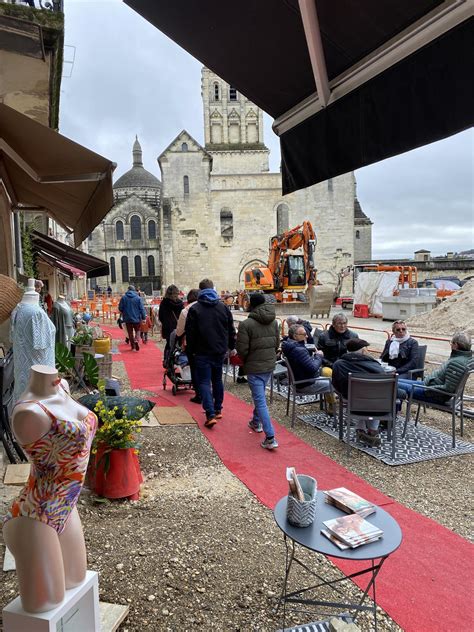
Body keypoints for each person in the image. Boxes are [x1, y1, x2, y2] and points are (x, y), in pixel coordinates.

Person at [3, 365, 97, 613]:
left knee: (76, 581)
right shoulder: (28, 413)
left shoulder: (63, 388)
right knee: (46, 605)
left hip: (66, 506)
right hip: (35, 517)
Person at [185, 279, 235, 427]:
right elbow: (231, 329)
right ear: (213, 289)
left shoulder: (195, 309)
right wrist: (231, 346)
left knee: (204, 382)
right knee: (217, 380)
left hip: (201, 351)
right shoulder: (223, 307)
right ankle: (218, 408)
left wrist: (191, 351)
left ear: (200, 291)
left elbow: (190, 333)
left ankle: (210, 413)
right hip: (219, 349)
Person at [236, 293, 280, 449]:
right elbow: (276, 344)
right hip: (268, 364)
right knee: (260, 395)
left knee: (260, 401)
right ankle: (256, 422)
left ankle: (270, 437)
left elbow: (242, 349)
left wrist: (247, 359)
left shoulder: (246, 324)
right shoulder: (274, 322)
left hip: (254, 366)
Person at [332, 338, 386, 446]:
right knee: (379, 398)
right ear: (362, 351)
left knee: (361, 399)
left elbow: (335, 385)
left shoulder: (338, 364)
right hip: (374, 403)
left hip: (350, 400)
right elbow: (383, 384)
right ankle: (372, 431)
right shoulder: (375, 366)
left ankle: (360, 430)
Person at [397, 331, 472, 403]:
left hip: (432, 393)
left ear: (456, 345)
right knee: (395, 381)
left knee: (392, 385)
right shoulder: (464, 358)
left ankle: (392, 413)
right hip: (429, 386)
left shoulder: (457, 362)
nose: (451, 345)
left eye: (451, 343)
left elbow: (448, 389)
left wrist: (427, 389)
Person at [281, 324, 330, 395]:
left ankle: (330, 404)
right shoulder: (299, 350)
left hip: (300, 381)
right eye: (304, 334)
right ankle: (338, 405)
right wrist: (319, 356)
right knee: (335, 384)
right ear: (295, 336)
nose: (307, 336)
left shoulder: (288, 346)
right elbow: (313, 368)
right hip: (306, 384)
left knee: (329, 375)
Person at [176, 288, 201, 403]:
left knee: (195, 368)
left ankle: (199, 394)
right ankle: (216, 403)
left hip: (194, 344)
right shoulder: (213, 306)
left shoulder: (186, 310)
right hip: (212, 344)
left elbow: (179, 331)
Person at [158, 284, 184, 366]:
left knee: (169, 344)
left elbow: (160, 316)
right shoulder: (180, 303)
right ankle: (176, 360)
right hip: (178, 326)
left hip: (168, 326)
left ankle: (167, 359)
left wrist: (165, 322)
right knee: (178, 344)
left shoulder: (164, 303)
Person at [118, 285, 146, 351]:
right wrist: (144, 318)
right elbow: (142, 309)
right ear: (134, 290)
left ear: (128, 290)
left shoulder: (124, 298)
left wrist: (124, 312)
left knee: (130, 332)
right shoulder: (138, 298)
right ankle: (136, 340)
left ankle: (133, 346)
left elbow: (120, 308)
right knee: (138, 330)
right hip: (136, 318)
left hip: (127, 318)